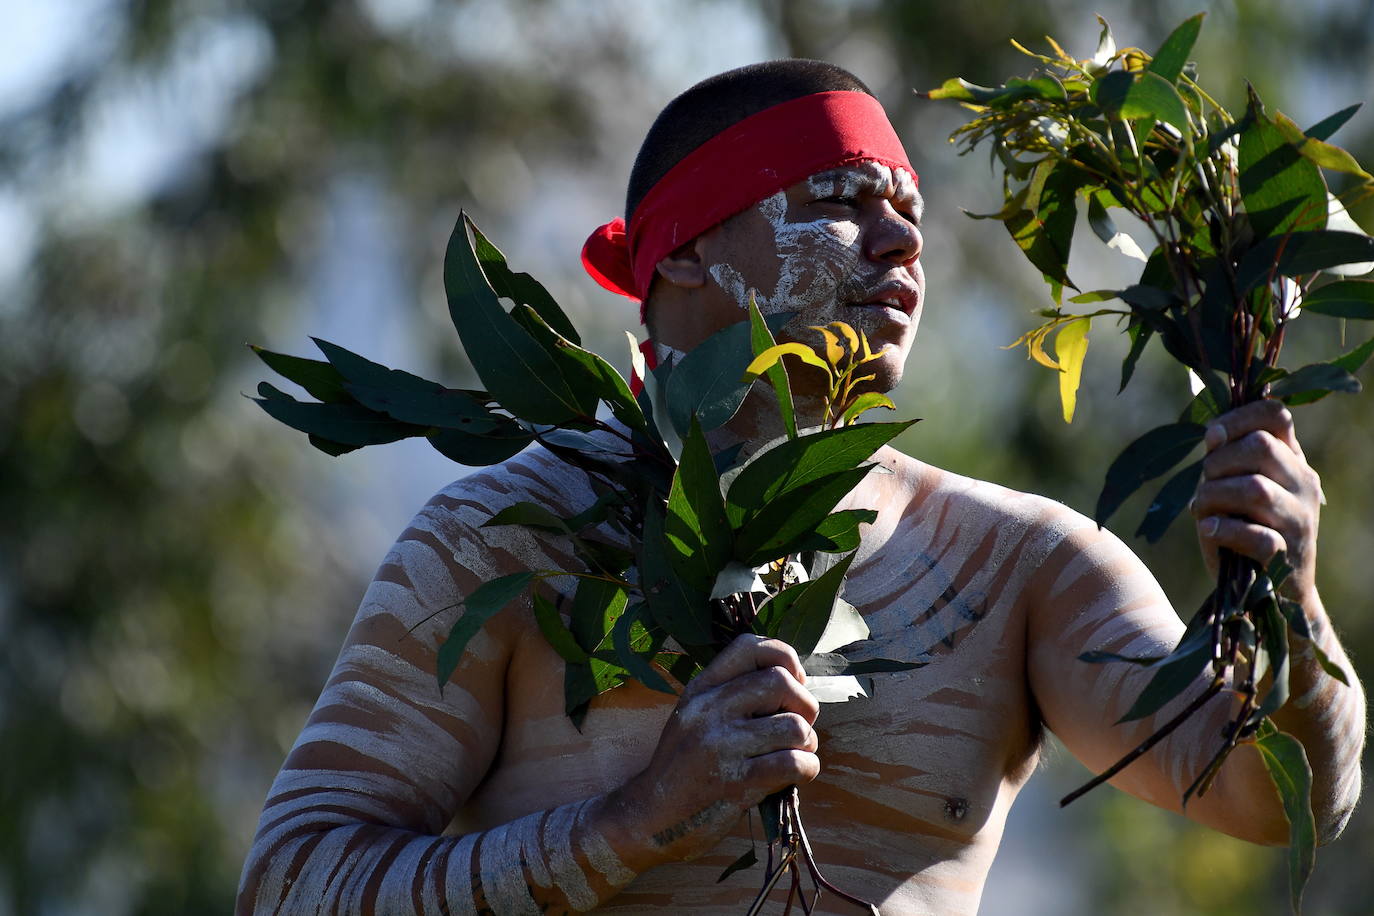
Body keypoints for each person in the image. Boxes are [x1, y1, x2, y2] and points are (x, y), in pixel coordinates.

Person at [236, 60, 1365, 915]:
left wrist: (1293, 602)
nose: (898, 250)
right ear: (684, 250)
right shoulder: (515, 535)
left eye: (910, 217)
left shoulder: (1016, 564)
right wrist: (638, 818)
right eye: (841, 199)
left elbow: (1277, 800)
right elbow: (290, 880)